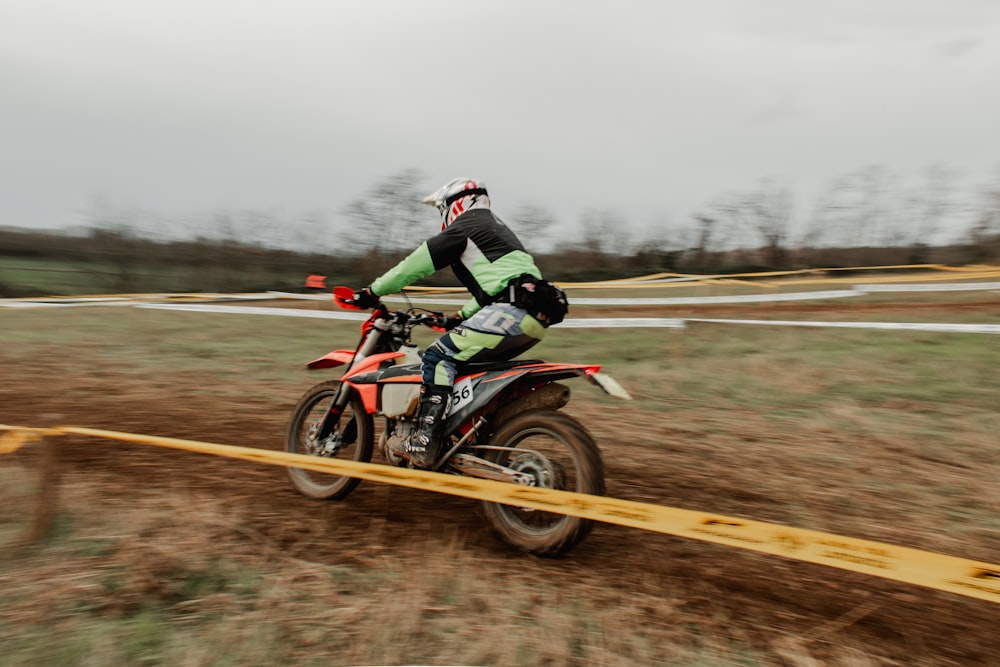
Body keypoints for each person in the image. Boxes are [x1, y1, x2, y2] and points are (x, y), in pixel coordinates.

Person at [345, 177, 566, 468]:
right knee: (465, 364)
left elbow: (412, 266)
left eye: (442, 208)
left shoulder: (465, 227)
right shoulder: (498, 232)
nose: (443, 215)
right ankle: (472, 434)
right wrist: (459, 317)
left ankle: (424, 441)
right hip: (533, 319)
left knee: (437, 357)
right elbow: (501, 285)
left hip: (510, 312)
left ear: (455, 204)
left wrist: (372, 291)